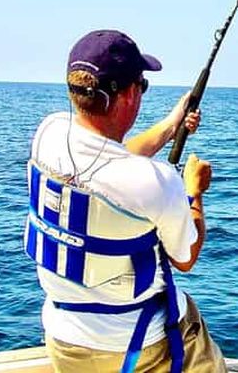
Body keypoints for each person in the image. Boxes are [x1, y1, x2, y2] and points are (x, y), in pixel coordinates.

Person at [24, 29, 227, 373]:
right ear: (130, 93)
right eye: (142, 85)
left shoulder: (49, 134)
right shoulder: (158, 182)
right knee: (192, 326)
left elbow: (109, 164)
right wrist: (194, 192)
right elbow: (186, 258)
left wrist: (171, 124)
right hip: (138, 349)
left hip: (64, 341)